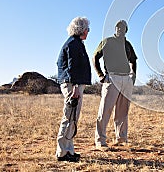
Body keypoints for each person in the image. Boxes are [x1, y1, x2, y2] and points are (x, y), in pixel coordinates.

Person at [93, 20, 137, 149]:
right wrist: (101, 75)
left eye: (123, 27)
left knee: (123, 111)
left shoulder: (127, 44)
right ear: (115, 28)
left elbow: (133, 60)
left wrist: (133, 75)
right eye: (118, 27)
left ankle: (122, 138)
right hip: (112, 77)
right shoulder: (107, 42)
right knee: (105, 110)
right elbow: (95, 57)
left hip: (126, 79)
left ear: (126, 30)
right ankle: (100, 140)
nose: (120, 29)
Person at [55, 17, 91, 162]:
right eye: (88, 29)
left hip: (73, 84)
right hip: (72, 84)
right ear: (82, 29)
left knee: (72, 119)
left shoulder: (76, 43)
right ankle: (62, 153)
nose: (88, 32)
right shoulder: (73, 44)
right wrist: (75, 86)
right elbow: (72, 66)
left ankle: (68, 150)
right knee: (69, 117)